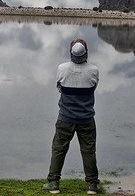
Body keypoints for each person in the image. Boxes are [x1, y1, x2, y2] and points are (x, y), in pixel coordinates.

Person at [43, 38, 101, 194]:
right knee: (88, 151)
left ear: (71, 53)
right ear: (86, 53)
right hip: (87, 119)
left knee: (58, 149)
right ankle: (92, 185)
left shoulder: (62, 68)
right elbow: (94, 87)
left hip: (65, 118)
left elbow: (59, 88)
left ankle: (53, 183)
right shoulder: (94, 70)